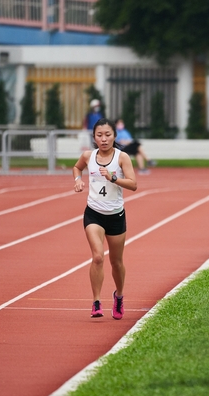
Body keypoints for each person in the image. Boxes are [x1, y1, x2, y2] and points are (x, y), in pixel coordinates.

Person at [73, 117, 137, 319]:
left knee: (116, 262)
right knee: (98, 257)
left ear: (114, 136)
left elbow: (133, 184)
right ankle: (96, 302)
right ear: (94, 137)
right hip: (94, 214)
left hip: (116, 215)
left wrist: (113, 177)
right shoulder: (88, 156)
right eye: (99, 135)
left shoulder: (122, 158)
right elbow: (77, 168)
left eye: (107, 135)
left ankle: (118, 296)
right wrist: (77, 180)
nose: (104, 139)